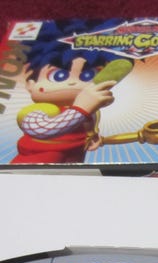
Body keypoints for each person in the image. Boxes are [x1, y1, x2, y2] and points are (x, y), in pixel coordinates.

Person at [12, 20, 131, 164]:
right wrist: (81, 108)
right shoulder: (34, 111)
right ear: (30, 85)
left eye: (87, 76)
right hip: (37, 160)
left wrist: (92, 137)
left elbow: (87, 129)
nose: (73, 83)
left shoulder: (90, 111)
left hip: (74, 157)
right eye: (58, 76)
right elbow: (43, 130)